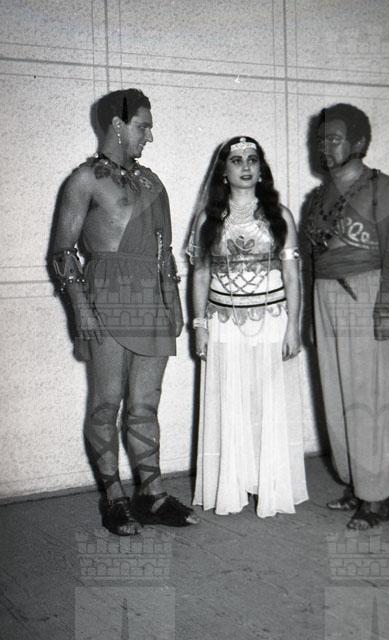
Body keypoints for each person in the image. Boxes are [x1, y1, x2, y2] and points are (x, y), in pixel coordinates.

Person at [52, 88, 198, 534]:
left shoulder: (153, 183)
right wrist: (81, 309)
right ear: (117, 124)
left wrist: (173, 302)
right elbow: (62, 252)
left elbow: (164, 251)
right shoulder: (84, 180)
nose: (149, 136)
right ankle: (114, 497)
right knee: (105, 403)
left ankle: (152, 493)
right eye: (143, 126)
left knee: (145, 404)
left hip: (151, 301)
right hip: (106, 299)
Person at [305, 103, 389, 529]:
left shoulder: (387, 188)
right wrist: (308, 319)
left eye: (333, 139)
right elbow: (310, 261)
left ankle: (377, 499)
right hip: (325, 296)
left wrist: (388, 308)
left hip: (366, 293)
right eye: (321, 140)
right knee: (337, 398)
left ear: (360, 142)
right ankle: (356, 483)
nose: (324, 147)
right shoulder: (317, 198)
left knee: (372, 399)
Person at [188, 136, 309, 518]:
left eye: (252, 159)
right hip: (224, 325)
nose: (245, 166)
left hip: (271, 322)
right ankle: (233, 486)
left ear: (261, 168)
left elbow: (292, 275)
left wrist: (294, 327)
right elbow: (200, 275)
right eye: (237, 160)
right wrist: (199, 326)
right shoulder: (208, 219)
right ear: (223, 171)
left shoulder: (280, 216)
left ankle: (271, 486)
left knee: (268, 404)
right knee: (231, 403)